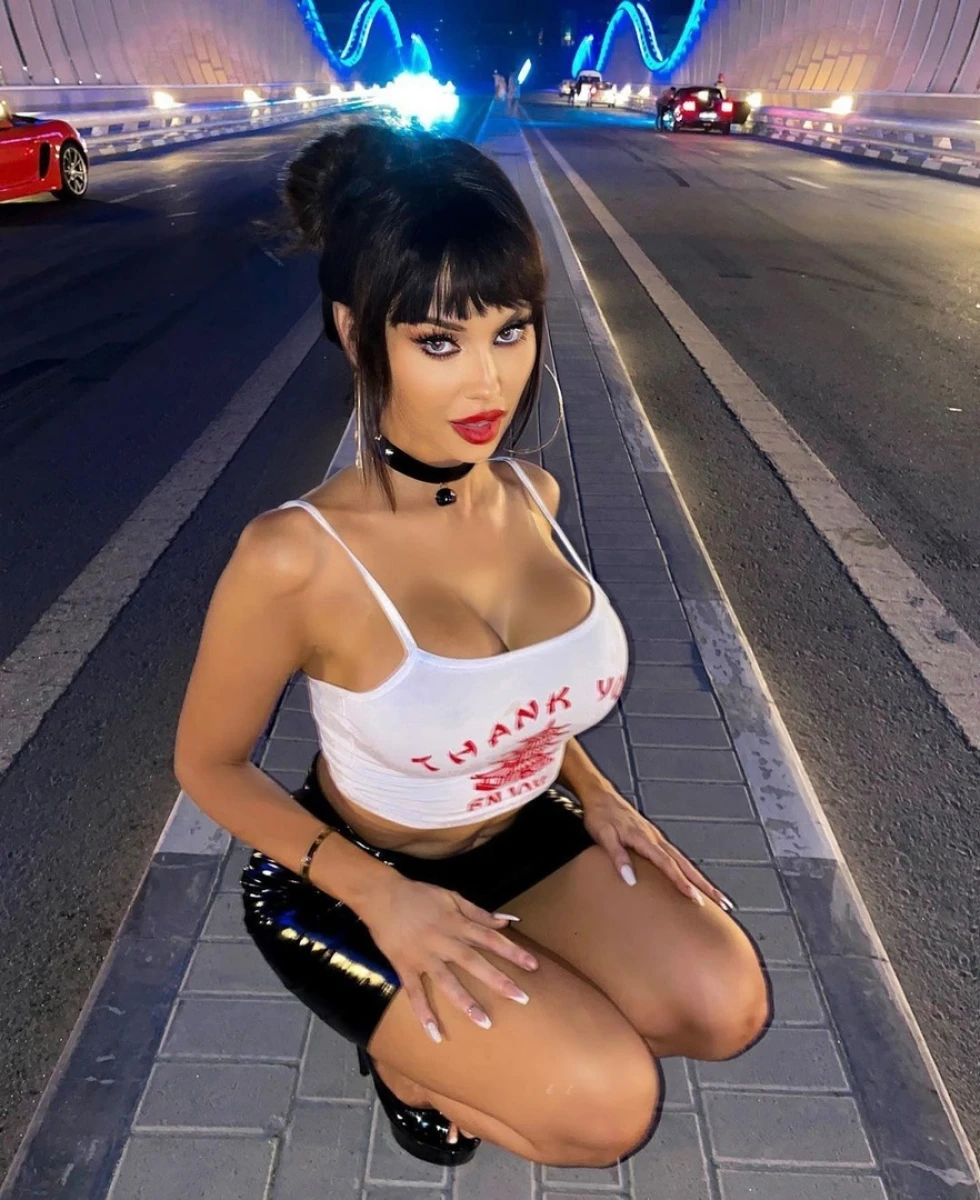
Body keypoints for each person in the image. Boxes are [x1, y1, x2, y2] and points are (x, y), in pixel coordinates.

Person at [175, 122, 769, 1171]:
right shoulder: (295, 557)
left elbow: (518, 699)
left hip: (524, 832)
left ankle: (511, 1013)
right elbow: (208, 766)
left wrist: (598, 795)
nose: (488, 384)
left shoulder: (532, 495)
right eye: (439, 343)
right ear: (357, 332)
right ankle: (406, 1070)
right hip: (355, 879)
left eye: (511, 330)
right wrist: (383, 900)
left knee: (726, 1009)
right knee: (605, 1109)